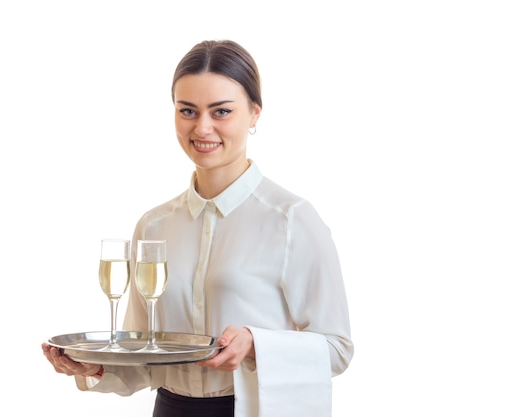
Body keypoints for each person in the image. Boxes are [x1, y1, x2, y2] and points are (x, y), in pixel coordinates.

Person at [42, 39, 353, 417]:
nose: (202, 127)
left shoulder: (291, 219)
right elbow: (143, 358)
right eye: (187, 110)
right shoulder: (155, 224)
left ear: (254, 113)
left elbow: (337, 349)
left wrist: (256, 343)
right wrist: (93, 367)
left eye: (221, 111)